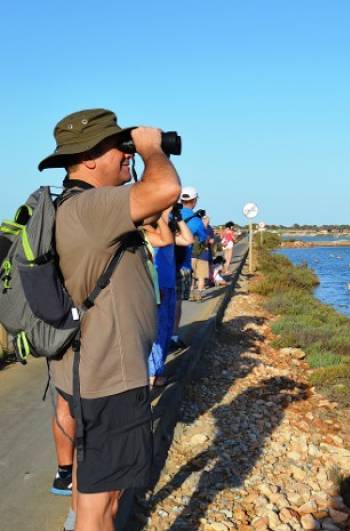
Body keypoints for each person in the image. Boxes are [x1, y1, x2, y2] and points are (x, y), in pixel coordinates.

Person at [39, 108, 181, 530]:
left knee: (93, 478)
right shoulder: (92, 207)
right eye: (117, 147)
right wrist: (152, 148)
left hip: (86, 370)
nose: (127, 153)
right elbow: (166, 187)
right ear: (87, 159)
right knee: (106, 502)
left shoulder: (72, 205)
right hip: (108, 377)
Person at [142, 208, 193, 387]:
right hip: (157, 287)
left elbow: (188, 239)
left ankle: (157, 372)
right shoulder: (148, 231)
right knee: (157, 332)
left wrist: (178, 218)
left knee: (166, 330)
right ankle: (152, 375)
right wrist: (161, 213)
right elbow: (163, 240)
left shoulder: (167, 231)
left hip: (169, 285)